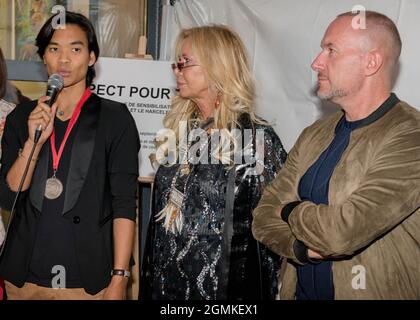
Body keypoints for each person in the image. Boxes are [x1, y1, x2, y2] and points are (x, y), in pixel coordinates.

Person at [252, 10, 420, 300]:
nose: (316, 62)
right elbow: (263, 217)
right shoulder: (315, 134)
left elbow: (341, 233)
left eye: (331, 50)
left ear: (371, 62)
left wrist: (290, 209)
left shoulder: (410, 136)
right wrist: (300, 249)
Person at [0, 11, 140, 300]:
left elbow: (124, 203)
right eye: (54, 49)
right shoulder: (21, 117)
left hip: (89, 280)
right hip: (24, 279)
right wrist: (33, 143)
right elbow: (7, 196)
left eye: (75, 49)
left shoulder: (115, 118)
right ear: (44, 58)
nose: (64, 60)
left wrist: (119, 278)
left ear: (91, 58)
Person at [140, 25, 287, 300]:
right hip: (166, 286)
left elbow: (277, 224)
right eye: (177, 63)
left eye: (185, 63)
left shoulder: (252, 139)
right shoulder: (182, 132)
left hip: (225, 291)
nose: (177, 70)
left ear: (216, 67)